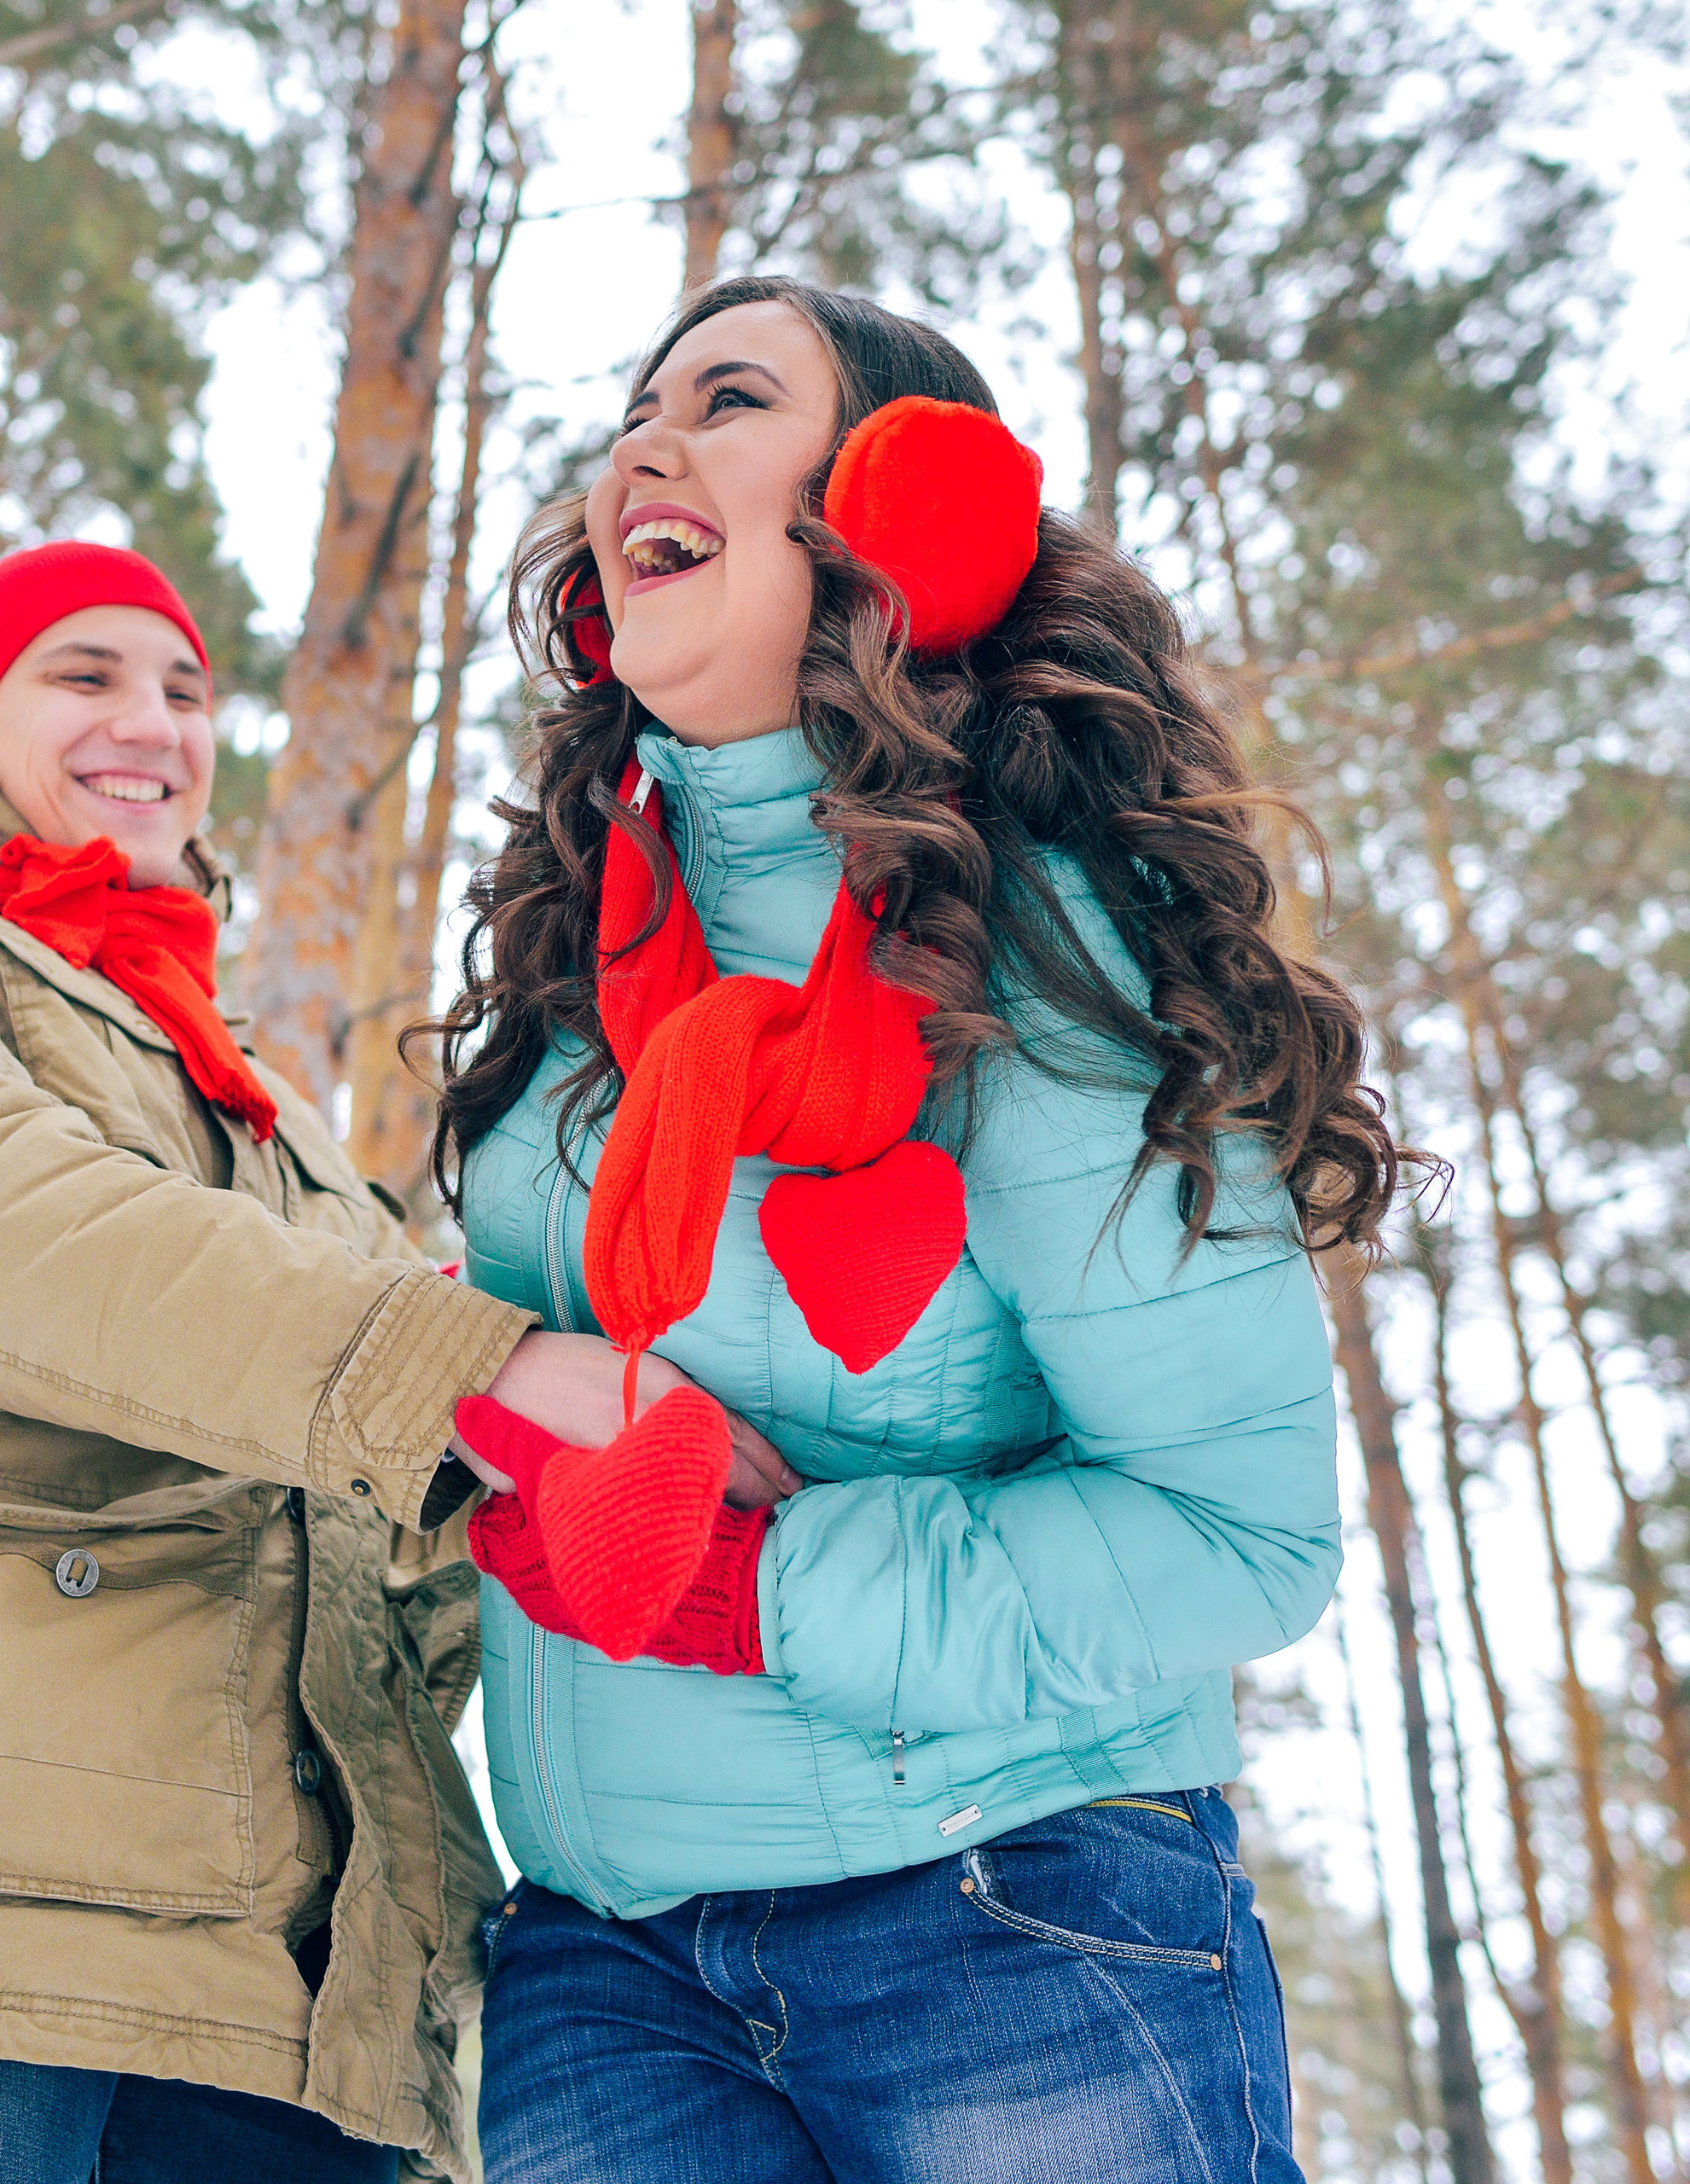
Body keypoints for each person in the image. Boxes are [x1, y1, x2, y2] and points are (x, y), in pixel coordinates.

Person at [0, 539, 788, 2184]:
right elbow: (1, 1234)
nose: (150, 724)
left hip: (296, 2014)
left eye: (183, 691)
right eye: (81, 676)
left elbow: (402, 1475)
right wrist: (487, 1367)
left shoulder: (263, 1113)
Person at [433, 276, 1409, 2182]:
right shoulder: (572, 983)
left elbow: (1243, 1530)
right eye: (631, 411)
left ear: (892, 507)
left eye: (725, 400)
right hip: (598, 1972)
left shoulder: (1031, 948)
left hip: (995, 1914)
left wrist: (760, 1593)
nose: (641, 441)